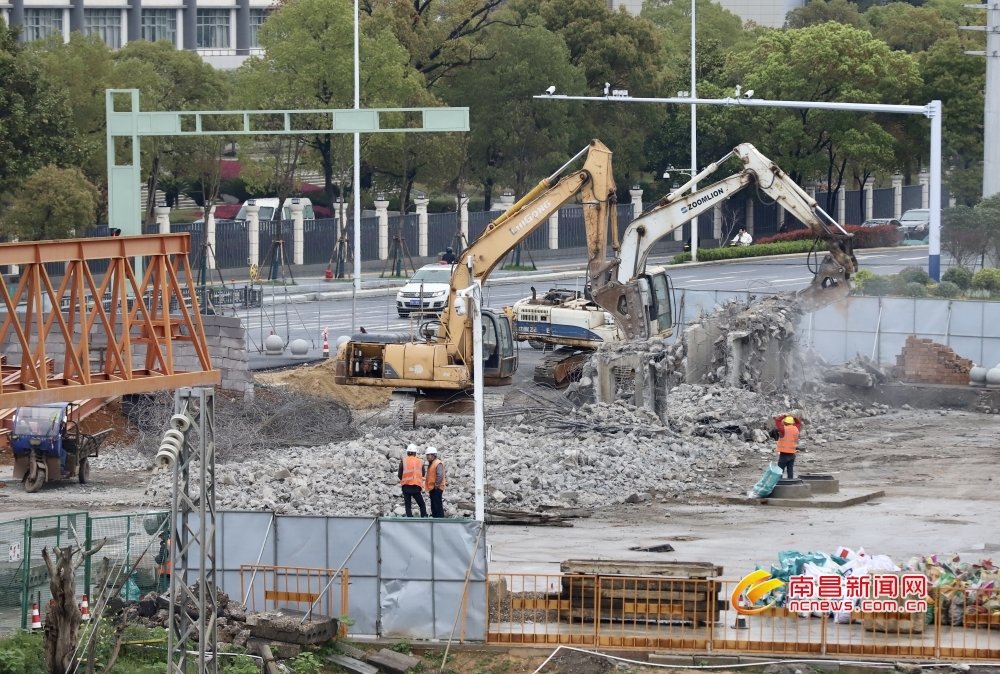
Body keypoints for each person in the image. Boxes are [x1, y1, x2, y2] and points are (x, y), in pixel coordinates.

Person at [398, 443, 427, 517]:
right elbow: (423, 474)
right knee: (421, 504)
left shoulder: (403, 461)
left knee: (408, 505)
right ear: (415, 453)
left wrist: (404, 479)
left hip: (406, 486)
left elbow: (399, 474)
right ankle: (424, 517)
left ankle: (409, 519)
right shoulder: (420, 461)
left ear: (407, 452)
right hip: (416, 486)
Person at [424, 446, 447, 518]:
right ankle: (435, 519)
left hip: (436, 488)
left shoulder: (437, 463)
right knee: (434, 506)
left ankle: (440, 520)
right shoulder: (432, 463)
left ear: (433, 455)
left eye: (428, 455)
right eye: (427, 455)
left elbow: (440, 475)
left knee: (437, 506)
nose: (427, 457)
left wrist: (436, 486)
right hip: (433, 488)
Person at [775, 415, 800, 479]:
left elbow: (777, 420)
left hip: (784, 454)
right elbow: (798, 422)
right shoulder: (796, 428)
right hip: (792, 454)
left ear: (785, 422)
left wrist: (784, 415)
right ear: (792, 422)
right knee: (790, 470)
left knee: (779, 471)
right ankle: (790, 485)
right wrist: (794, 417)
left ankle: (779, 484)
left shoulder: (783, 429)